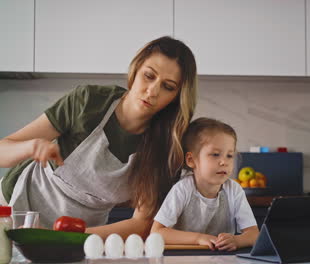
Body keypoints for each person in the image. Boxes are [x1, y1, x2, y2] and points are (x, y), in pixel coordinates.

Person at [0, 36, 197, 239]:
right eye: (149, 75)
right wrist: (31, 147)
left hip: (81, 235)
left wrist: (65, 237)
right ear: (136, 69)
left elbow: (141, 224)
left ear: (177, 97)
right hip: (14, 211)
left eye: (168, 87)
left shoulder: (166, 145)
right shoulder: (89, 102)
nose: (152, 91)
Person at [151, 117, 259, 251]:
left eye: (229, 156)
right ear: (191, 160)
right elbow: (157, 232)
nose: (224, 162)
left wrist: (237, 240)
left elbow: (254, 234)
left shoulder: (234, 190)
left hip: (221, 259)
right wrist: (198, 238)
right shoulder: (183, 189)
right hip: (183, 258)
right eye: (215, 154)